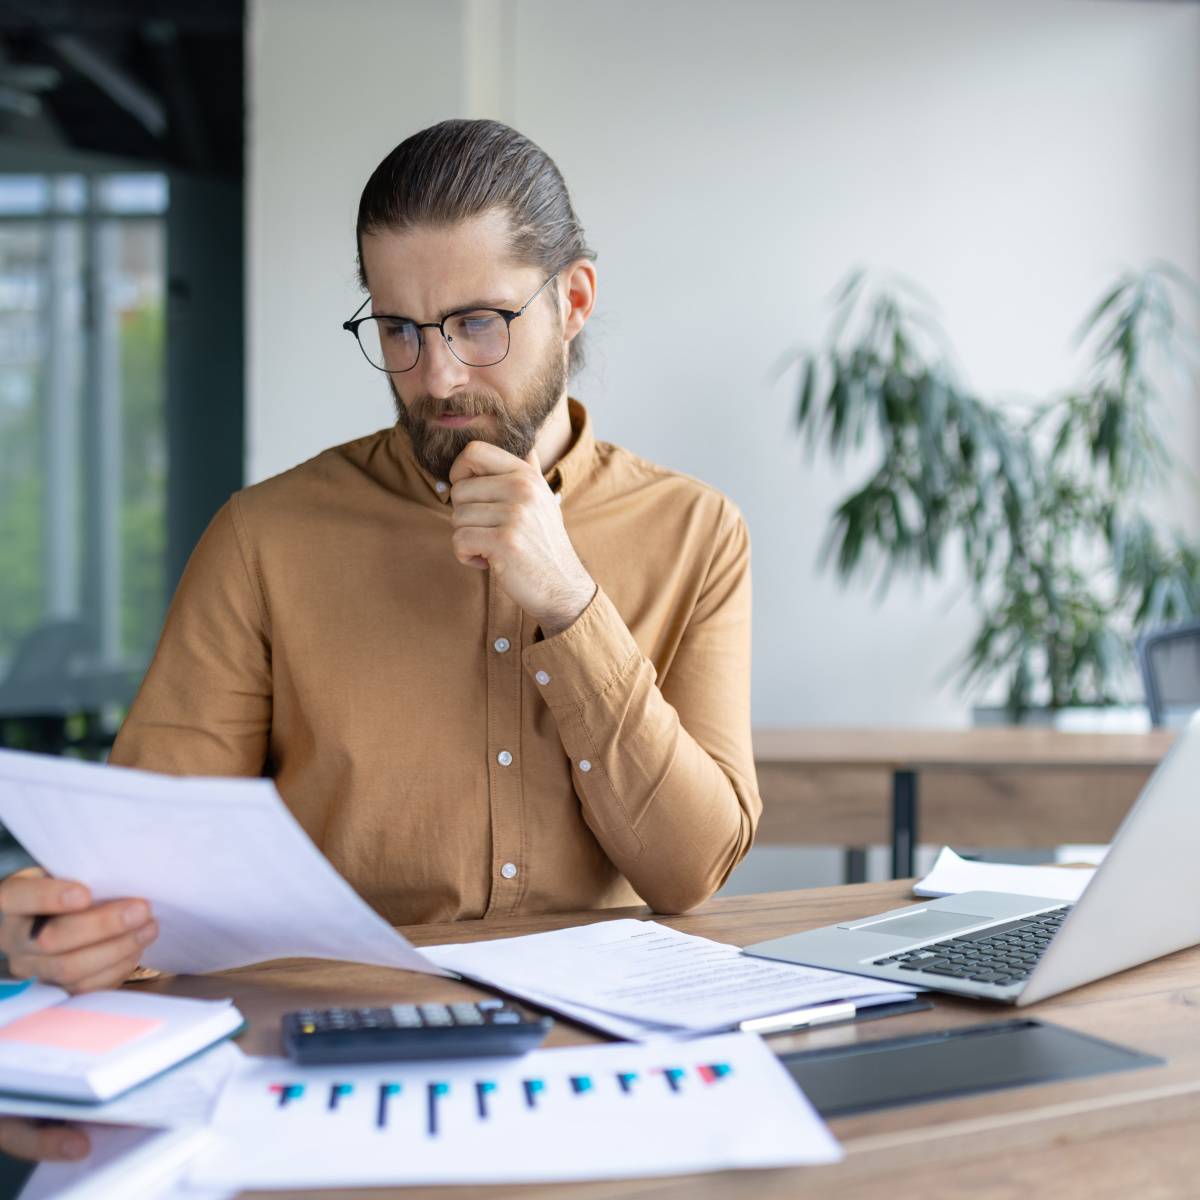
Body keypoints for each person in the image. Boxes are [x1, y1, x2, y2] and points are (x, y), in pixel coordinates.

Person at [0, 119, 760, 1006]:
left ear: (575, 300)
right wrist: (69, 930)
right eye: (400, 328)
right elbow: (145, 882)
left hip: (605, 1034)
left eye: (479, 324)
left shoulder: (697, 532)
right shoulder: (265, 539)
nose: (434, 376)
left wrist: (568, 601)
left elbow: (691, 872)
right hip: (333, 1036)